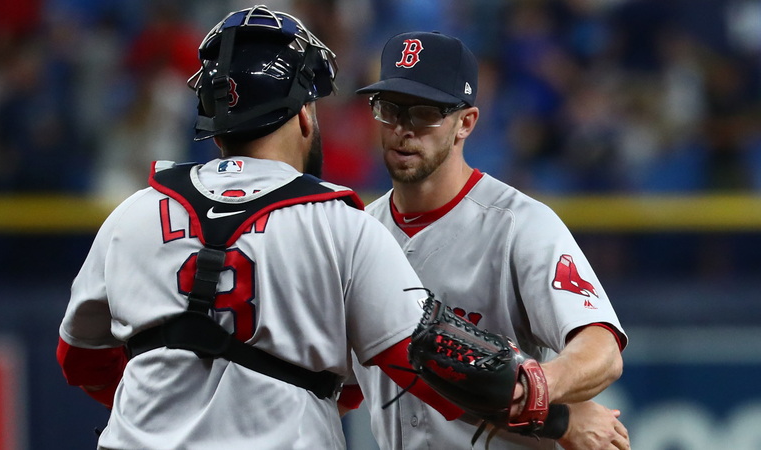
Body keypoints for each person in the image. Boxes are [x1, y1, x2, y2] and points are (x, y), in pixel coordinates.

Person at [56, 8, 473, 449]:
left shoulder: (132, 214)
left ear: (216, 122)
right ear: (304, 114)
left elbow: (80, 360)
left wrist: (178, 405)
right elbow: (430, 366)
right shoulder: (340, 225)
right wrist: (523, 399)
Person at [342, 31, 630, 450]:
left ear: (466, 122)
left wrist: (539, 385)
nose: (403, 129)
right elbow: (343, 386)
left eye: (424, 113)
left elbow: (601, 348)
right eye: (390, 109)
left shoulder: (519, 224)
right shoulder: (358, 232)